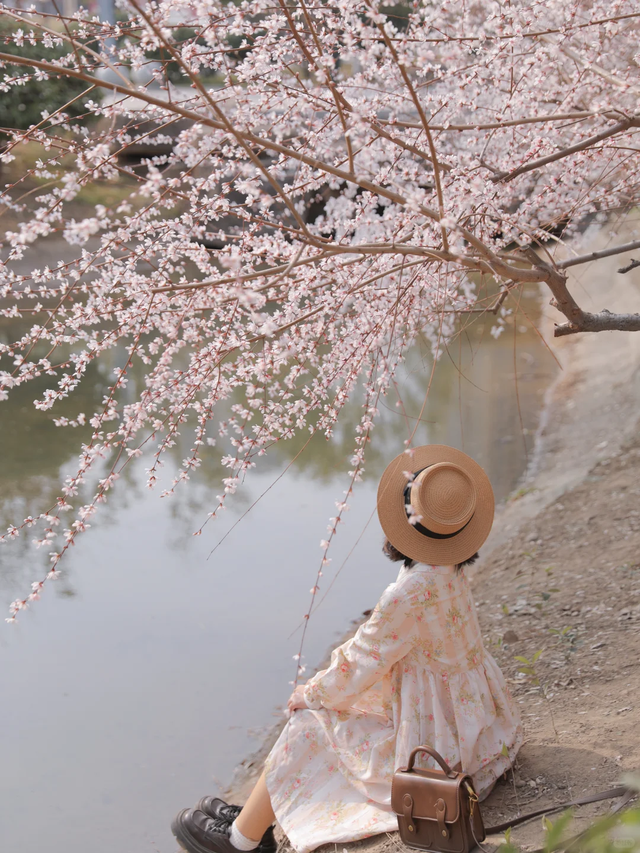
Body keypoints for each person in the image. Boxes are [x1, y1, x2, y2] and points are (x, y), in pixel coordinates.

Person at [172, 445, 523, 853]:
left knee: (308, 723)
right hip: (476, 728)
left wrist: (311, 693)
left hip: (439, 748)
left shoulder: (411, 591)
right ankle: (259, 815)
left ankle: (243, 841)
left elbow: (362, 660)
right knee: (335, 712)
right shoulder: (450, 569)